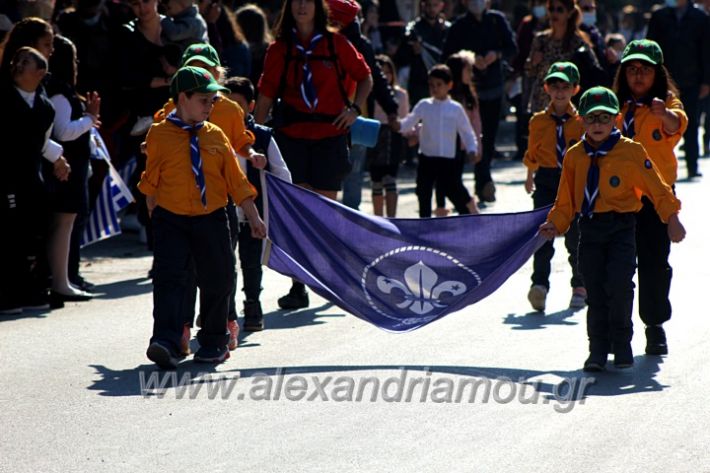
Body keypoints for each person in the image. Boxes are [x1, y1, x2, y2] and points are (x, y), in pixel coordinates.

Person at [539, 86, 686, 372]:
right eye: (591, 118)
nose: (597, 125)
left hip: (621, 228)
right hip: (590, 229)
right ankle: (597, 348)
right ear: (580, 119)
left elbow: (657, 189)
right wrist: (555, 223)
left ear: (616, 120)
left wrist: (672, 217)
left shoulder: (631, 151)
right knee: (594, 290)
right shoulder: (574, 156)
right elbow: (565, 200)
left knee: (619, 286)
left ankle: (622, 343)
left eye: (604, 118)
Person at [139, 66, 266, 369]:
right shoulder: (159, 134)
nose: (211, 106)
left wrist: (254, 217)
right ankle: (166, 341)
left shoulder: (216, 135)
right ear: (183, 98)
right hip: (171, 218)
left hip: (211, 216)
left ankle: (213, 341)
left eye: (213, 101)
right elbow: (150, 180)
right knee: (169, 279)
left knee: (218, 279)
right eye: (205, 100)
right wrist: (153, 215)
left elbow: (236, 180)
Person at [254, 0, 372, 310]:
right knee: (300, 215)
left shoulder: (336, 43)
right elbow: (266, 92)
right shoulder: (280, 48)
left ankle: (333, 279)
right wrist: (252, 136)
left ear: (318, 7)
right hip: (291, 138)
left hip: (330, 138)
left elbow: (365, 76)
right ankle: (299, 286)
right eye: (297, 1)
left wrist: (354, 110)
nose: (302, 6)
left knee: (324, 213)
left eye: (308, 0)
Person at [612, 39, 688, 356]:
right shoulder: (614, 107)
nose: (638, 76)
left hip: (656, 198)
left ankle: (654, 326)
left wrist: (664, 113)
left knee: (655, 264)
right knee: (618, 266)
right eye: (632, 70)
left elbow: (677, 125)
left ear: (657, 74)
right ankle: (618, 332)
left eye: (645, 70)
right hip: (618, 197)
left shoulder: (667, 105)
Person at [0, 48, 68, 314]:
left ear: (40, 73)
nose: (17, 65)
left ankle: (32, 291)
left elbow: (40, 143)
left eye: (25, 62)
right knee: (8, 237)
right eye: (17, 60)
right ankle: (7, 294)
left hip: (32, 178)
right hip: (6, 178)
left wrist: (58, 158)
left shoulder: (45, 107)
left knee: (32, 236)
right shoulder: (3, 98)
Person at [224, 76, 292, 331]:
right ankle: (224, 309)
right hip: (223, 210)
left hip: (255, 213)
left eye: (237, 104)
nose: (231, 109)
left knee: (251, 262)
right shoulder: (214, 133)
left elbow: (282, 173)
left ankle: (253, 305)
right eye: (226, 103)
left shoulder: (262, 136)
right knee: (223, 263)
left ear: (251, 106)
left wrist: (278, 206)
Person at [523, 62, 585, 312]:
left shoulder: (582, 121)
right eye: (555, 86)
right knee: (543, 235)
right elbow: (532, 151)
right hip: (546, 179)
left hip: (572, 180)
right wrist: (529, 176)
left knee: (575, 236)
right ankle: (539, 285)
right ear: (547, 88)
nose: (560, 92)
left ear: (575, 89)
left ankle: (580, 285)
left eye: (565, 87)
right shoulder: (538, 121)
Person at [442, 0, 517, 205]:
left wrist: (496, 55)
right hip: (466, 94)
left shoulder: (496, 20)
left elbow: (512, 47)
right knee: (464, 137)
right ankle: (456, 185)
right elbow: (447, 56)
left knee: (488, 136)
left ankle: (483, 180)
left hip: (493, 89)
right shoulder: (458, 26)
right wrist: (469, 62)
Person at [45, 35, 99, 307]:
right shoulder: (59, 92)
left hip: (72, 168)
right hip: (65, 170)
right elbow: (63, 132)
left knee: (67, 225)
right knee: (64, 225)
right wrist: (90, 118)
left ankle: (66, 277)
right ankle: (61, 281)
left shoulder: (59, 90)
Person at [393, 64, 479, 218]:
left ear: (449, 85)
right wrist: (398, 125)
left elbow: (466, 131)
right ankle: (425, 224)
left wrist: (472, 148)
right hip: (427, 158)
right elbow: (409, 122)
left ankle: (467, 219)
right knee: (423, 191)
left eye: (439, 85)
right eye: (432, 85)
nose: (435, 88)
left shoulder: (455, 108)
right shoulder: (424, 105)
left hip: (447, 159)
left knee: (453, 190)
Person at [646, 0, 710, 179]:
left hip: (692, 81)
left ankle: (692, 164)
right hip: (664, 81)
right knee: (659, 124)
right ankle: (657, 167)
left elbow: (706, 50)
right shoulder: (659, 16)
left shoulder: (700, 17)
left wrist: (706, 81)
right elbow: (651, 48)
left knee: (691, 123)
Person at [524, 0, 601, 115]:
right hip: (541, 104)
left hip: (568, 106)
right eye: (551, 9)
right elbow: (529, 72)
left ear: (569, 13)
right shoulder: (540, 39)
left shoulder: (578, 42)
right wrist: (532, 63)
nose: (554, 13)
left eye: (560, 9)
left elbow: (594, 72)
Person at [434, 50, 482, 217]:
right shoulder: (444, 97)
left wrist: (476, 147)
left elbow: (476, 125)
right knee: (444, 180)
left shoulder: (469, 97)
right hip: (443, 145)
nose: (471, 74)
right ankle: (457, 209)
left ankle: (469, 209)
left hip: (461, 147)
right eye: (467, 70)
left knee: (453, 181)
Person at [368, 54, 408, 217]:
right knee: (376, 180)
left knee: (390, 178)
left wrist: (410, 133)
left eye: (388, 72)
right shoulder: (370, 94)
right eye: (381, 72)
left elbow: (405, 118)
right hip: (374, 134)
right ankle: (378, 220)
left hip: (393, 136)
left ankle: (392, 219)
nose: (385, 76)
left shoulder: (400, 95)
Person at [397, 0, 450, 108]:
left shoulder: (446, 29)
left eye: (435, 5)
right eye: (428, 5)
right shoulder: (413, 30)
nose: (431, 9)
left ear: (441, 6)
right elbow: (401, 58)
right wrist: (412, 51)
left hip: (443, 81)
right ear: (423, 5)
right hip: (420, 83)